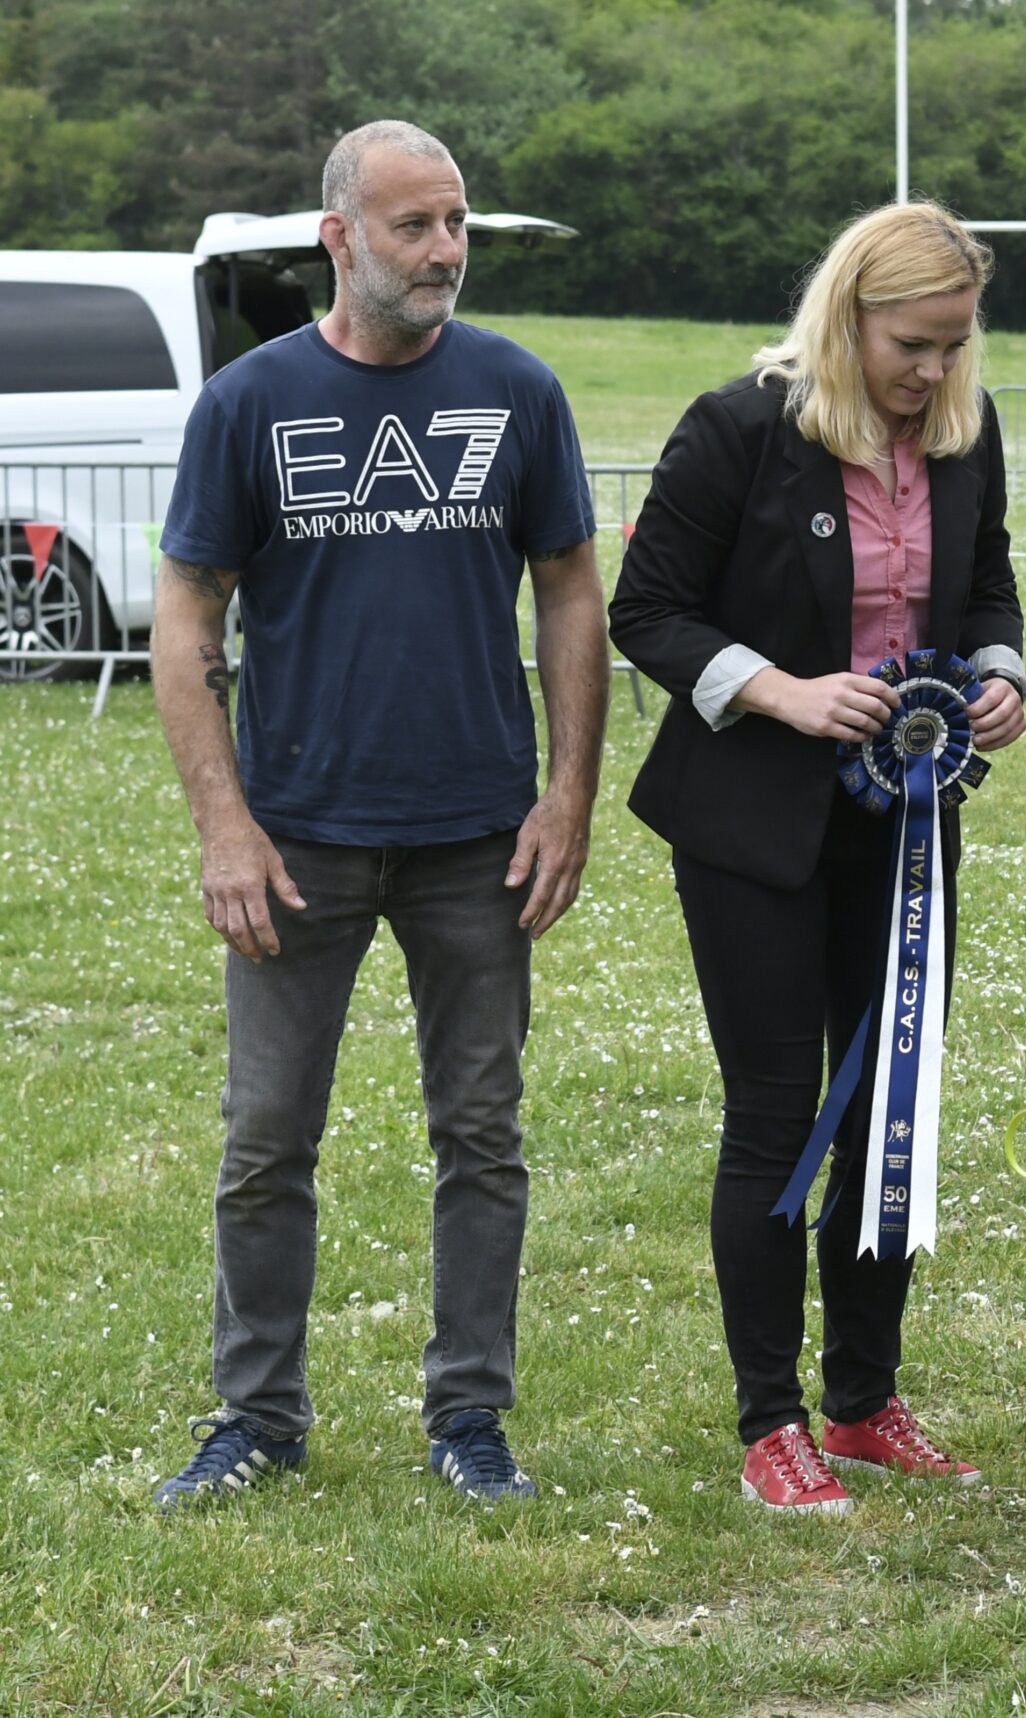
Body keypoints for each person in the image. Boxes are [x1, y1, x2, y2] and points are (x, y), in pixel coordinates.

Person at [148, 120, 607, 1508]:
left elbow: (570, 592)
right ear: (339, 238)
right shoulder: (251, 402)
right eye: (415, 226)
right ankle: (258, 1415)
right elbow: (187, 615)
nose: (446, 250)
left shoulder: (518, 391)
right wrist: (225, 826)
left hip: (479, 836)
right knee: (265, 1140)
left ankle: (470, 1414)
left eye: (456, 222)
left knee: (482, 1134)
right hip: (297, 837)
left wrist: (569, 793)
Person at [609, 202, 1026, 1513]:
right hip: (752, 830)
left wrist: (1001, 672)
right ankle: (770, 1421)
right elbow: (646, 611)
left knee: (892, 1109)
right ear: (850, 318)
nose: (935, 371)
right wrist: (782, 691)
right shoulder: (738, 428)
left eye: (955, 345)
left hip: (907, 828)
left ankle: (863, 1399)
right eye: (914, 346)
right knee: (777, 1111)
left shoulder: (965, 432)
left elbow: (990, 579)